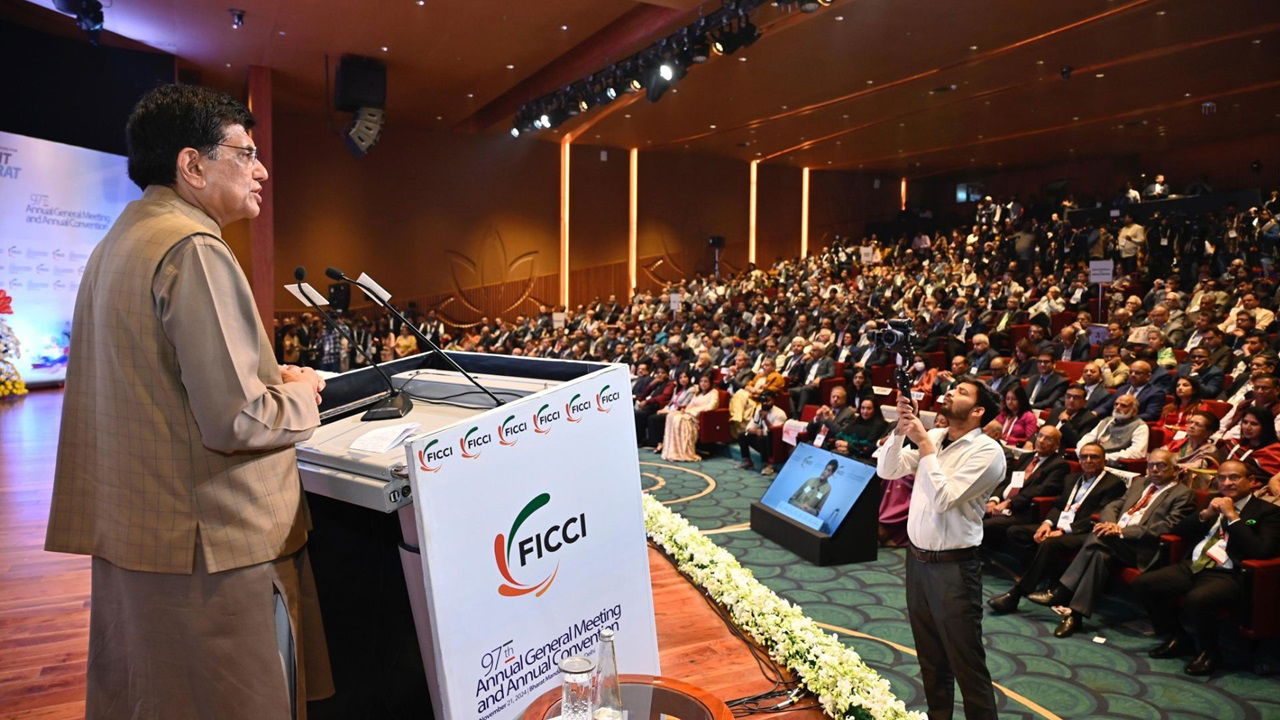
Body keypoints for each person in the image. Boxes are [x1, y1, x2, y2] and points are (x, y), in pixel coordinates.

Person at [45, 85, 333, 719]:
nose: (261, 170)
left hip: (142, 533)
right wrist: (303, 394)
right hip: (213, 549)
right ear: (193, 165)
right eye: (247, 152)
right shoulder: (194, 249)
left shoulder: (120, 242)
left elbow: (163, 385)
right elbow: (238, 419)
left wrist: (266, 379)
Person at [877, 378, 1005, 719]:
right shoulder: (933, 437)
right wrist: (902, 431)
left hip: (954, 568)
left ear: (978, 412)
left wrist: (925, 446)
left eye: (961, 392)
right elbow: (887, 469)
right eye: (951, 387)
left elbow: (944, 498)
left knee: (966, 662)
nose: (949, 392)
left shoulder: (988, 452)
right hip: (917, 562)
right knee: (930, 656)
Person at [1131, 460, 1280, 676]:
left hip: (1229, 573)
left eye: (1234, 477)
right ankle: (1178, 636)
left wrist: (1234, 517)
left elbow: (1260, 551)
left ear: (1252, 481)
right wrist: (1205, 515)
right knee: (1144, 584)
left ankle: (1210, 652)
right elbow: (1179, 531)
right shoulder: (1213, 500)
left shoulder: (1268, 512)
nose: (1227, 482)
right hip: (1195, 564)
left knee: (1197, 599)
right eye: (1221, 478)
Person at [1044, 449, 1195, 638]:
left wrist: (1122, 531)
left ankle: (1063, 589)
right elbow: (1114, 505)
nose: (1155, 469)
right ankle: (1075, 616)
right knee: (1100, 553)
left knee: (1098, 536)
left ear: (1175, 469)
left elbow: (1166, 527)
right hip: (1114, 540)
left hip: (1142, 548)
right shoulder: (1141, 483)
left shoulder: (1183, 494)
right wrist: (1109, 524)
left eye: (1161, 465)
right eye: (1151, 465)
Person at [988, 442, 1127, 614]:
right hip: (1060, 525)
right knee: (1017, 532)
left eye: (1094, 457)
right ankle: (1047, 576)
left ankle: (1017, 593)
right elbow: (1058, 506)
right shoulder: (1072, 479)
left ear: (1104, 460)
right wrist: (1047, 524)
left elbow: (1099, 516)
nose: (1088, 460)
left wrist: (1063, 530)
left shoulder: (1113, 484)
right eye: (1084, 457)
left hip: (1085, 532)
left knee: (1050, 544)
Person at [983, 426, 1070, 551]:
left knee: (986, 524)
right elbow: (1007, 481)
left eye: (1048, 439)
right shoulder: (1027, 457)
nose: (1041, 440)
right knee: (973, 512)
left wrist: (1009, 503)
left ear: (1056, 445)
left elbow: (1041, 489)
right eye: (1040, 436)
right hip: (1001, 503)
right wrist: (994, 500)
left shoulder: (1059, 465)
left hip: (1023, 510)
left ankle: (977, 559)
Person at [661, 372, 721, 462]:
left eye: (706, 382)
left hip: (699, 417)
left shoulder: (714, 392)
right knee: (671, 416)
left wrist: (692, 411)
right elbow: (690, 405)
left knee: (679, 419)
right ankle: (673, 450)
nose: (703, 384)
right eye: (701, 381)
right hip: (690, 413)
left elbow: (711, 406)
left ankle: (683, 452)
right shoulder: (698, 393)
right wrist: (686, 410)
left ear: (710, 383)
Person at [1078, 393, 1150, 464]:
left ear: (1134, 411)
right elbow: (1088, 437)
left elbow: (1137, 452)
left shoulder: (1140, 426)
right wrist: (1082, 451)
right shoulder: (1107, 421)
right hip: (1094, 459)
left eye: (1123, 406)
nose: (1117, 407)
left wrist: (1104, 457)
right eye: (1116, 404)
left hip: (1115, 463)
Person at [1218, 406, 1280, 476]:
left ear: (1266, 427)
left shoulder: (1275, 452)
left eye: (1254, 424)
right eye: (1245, 422)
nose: (1247, 427)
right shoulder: (1233, 444)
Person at [1167, 411, 1223, 487]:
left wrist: (1168, 467)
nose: (1191, 426)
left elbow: (1196, 466)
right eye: (1191, 422)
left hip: (1188, 485)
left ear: (1209, 432)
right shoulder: (1179, 442)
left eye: (1198, 425)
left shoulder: (1210, 450)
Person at [739, 390, 787, 475]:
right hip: (762, 439)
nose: (765, 403)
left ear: (773, 400)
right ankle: (746, 460)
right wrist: (754, 431)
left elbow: (774, 433)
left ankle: (768, 465)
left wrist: (765, 419)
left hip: (775, 443)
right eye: (763, 401)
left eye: (768, 401)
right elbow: (750, 427)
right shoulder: (759, 410)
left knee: (762, 437)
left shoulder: (780, 414)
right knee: (742, 435)